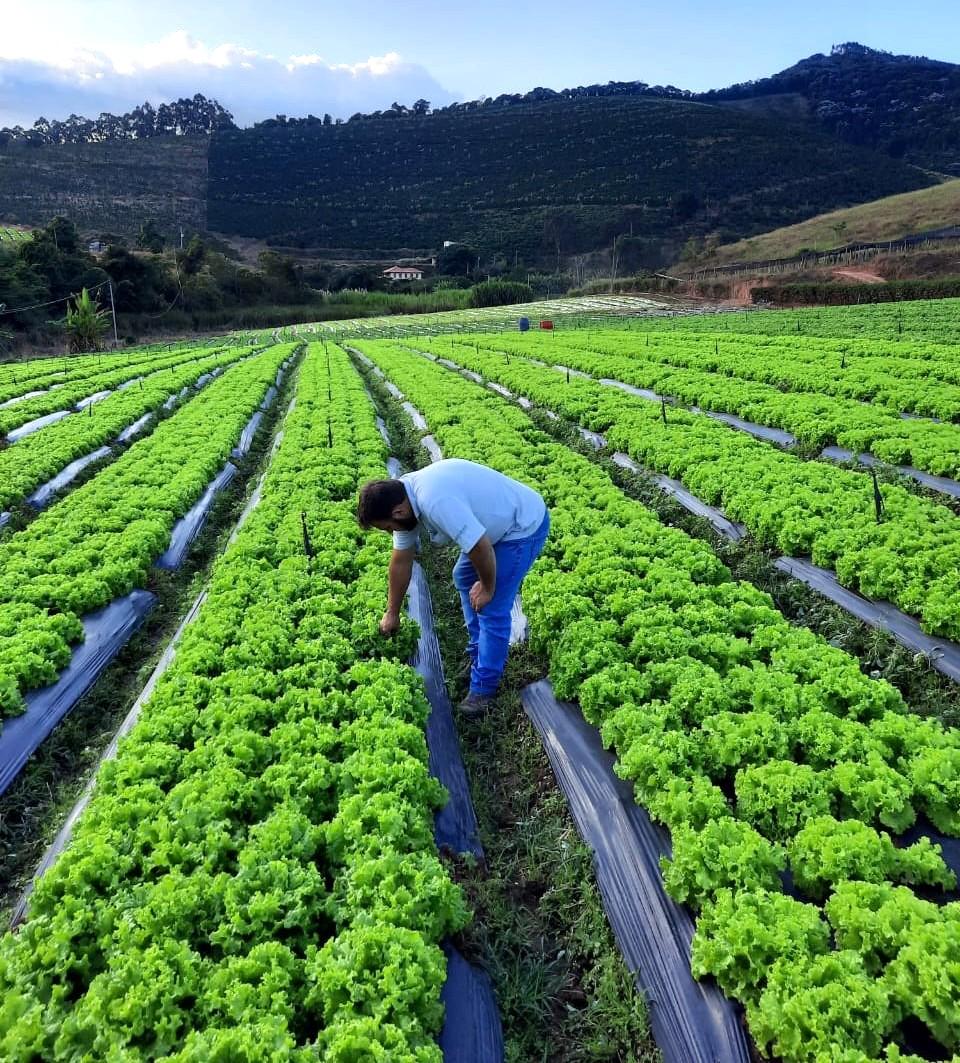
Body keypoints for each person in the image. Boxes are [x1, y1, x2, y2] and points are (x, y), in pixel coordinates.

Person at [357, 458, 550, 717]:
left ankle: (484, 688)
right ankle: (478, 652)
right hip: (495, 526)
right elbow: (400, 563)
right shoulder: (403, 500)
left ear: (398, 513)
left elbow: (480, 546)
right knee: (463, 575)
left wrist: (487, 587)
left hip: (521, 526)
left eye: (388, 528)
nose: (391, 532)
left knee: (493, 605)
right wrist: (392, 612)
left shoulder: (434, 501)